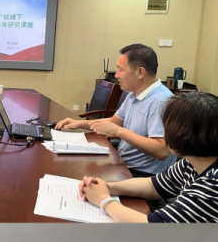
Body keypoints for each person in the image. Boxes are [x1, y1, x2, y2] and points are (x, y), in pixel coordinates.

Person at [78, 91, 218, 223]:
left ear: (183, 135)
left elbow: (151, 229)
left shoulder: (211, 187)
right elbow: (153, 186)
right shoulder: (192, 162)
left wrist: (104, 200)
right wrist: (107, 187)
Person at [57, 44, 174, 182]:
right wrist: (78, 123)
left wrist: (118, 131)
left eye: (120, 69)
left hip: (144, 176)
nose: (116, 75)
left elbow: (162, 151)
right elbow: (113, 122)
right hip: (123, 163)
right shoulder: (134, 94)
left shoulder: (161, 102)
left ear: (140, 72)